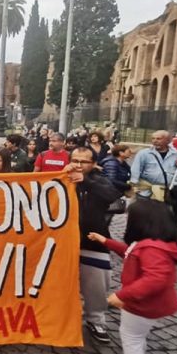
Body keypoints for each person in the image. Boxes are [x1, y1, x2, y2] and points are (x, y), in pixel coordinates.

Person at [88, 200, 177, 354]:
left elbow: (156, 279)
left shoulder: (153, 248)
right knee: (135, 340)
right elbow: (129, 252)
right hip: (144, 304)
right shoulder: (152, 243)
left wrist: (123, 296)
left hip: (143, 305)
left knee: (132, 340)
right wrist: (105, 241)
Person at [65, 147, 122, 343]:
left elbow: (111, 195)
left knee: (96, 285)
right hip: (63, 241)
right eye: (75, 160)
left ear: (94, 164)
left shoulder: (99, 180)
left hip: (92, 241)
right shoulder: (62, 176)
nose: (79, 165)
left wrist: (86, 182)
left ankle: (95, 319)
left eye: (84, 162)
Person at [130, 130, 177, 221]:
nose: (155, 141)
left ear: (168, 141)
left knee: (162, 216)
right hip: (146, 191)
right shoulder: (144, 153)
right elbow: (135, 170)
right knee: (143, 215)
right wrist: (134, 186)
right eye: (153, 138)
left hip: (165, 192)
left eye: (158, 139)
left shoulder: (176, 154)